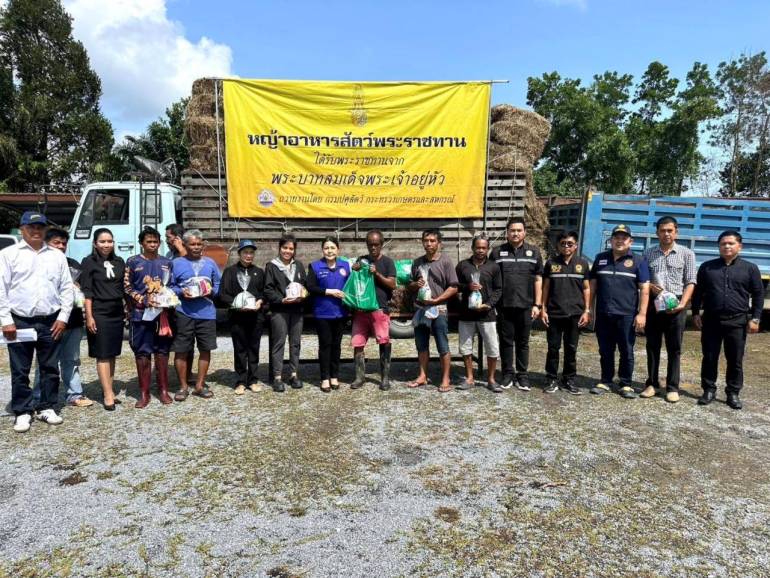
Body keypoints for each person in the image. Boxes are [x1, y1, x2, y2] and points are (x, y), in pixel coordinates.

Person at [0, 211, 73, 432]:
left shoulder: (56, 256)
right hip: (20, 321)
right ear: (22, 229)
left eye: (40, 227)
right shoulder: (8, 255)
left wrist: (63, 317)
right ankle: (22, 411)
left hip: (51, 321)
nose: (36, 231)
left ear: (45, 229)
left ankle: (46, 407)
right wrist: (6, 320)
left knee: (50, 368)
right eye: (31, 227)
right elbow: (1, 289)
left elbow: (66, 288)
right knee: (20, 369)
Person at [692, 230, 763, 410]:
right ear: (719, 246)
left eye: (731, 243)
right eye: (723, 243)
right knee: (709, 357)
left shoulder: (750, 268)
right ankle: (708, 390)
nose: (727, 246)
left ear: (740, 246)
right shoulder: (707, 267)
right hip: (711, 321)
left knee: (735, 360)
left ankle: (733, 392)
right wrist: (695, 313)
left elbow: (758, 294)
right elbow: (698, 292)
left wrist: (755, 318)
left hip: (737, 322)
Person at [31, 229, 93, 408]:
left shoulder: (74, 264)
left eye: (64, 243)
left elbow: (84, 291)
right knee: (45, 361)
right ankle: (38, 396)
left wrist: (76, 288)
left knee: (71, 360)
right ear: (46, 243)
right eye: (56, 243)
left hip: (73, 320)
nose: (61, 246)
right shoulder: (37, 264)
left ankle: (74, 394)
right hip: (48, 322)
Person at [589, 224, 650, 398]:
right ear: (611, 240)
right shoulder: (600, 258)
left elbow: (645, 289)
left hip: (627, 315)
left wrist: (642, 314)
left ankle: (625, 384)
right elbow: (592, 286)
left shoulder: (638, 261)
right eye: (616, 237)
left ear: (630, 241)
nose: (620, 241)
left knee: (626, 350)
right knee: (605, 349)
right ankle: (606, 381)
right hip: (604, 313)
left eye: (624, 238)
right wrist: (589, 309)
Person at [641, 216, 697, 403]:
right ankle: (652, 384)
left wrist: (682, 304)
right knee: (652, 346)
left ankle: (672, 387)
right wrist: (650, 287)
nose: (666, 234)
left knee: (674, 348)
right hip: (655, 304)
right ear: (657, 233)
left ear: (676, 232)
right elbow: (643, 280)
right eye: (662, 230)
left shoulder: (687, 254)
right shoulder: (648, 253)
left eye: (670, 230)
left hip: (676, 305)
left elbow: (690, 282)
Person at [490, 217, 543, 391]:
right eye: (512, 230)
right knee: (506, 342)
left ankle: (522, 375)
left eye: (519, 230)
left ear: (525, 232)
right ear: (507, 233)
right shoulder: (497, 253)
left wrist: (537, 305)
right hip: (504, 306)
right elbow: (491, 280)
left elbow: (538, 279)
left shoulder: (534, 252)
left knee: (523, 342)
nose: (515, 233)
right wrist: (493, 304)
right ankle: (507, 374)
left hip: (526, 306)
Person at [124, 227, 174, 408]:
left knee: (162, 352)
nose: (152, 245)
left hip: (162, 315)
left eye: (155, 242)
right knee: (142, 353)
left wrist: (167, 299)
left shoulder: (167, 262)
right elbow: (127, 287)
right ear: (141, 243)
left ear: (159, 243)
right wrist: (143, 299)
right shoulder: (132, 261)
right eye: (149, 242)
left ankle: (163, 390)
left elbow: (172, 285)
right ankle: (144, 393)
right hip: (141, 315)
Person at [170, 229, 221, 400]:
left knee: (205, 349)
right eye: (192, 244)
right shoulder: (176, 263)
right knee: (181, 350)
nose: (196, 247)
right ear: (185, 245)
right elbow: (169, 285)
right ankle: (183, 386)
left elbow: (218, 283)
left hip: (207, 313)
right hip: (184, 312)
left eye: (199, 244)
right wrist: (181, 291)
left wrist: (211, 291)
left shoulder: (210, 263)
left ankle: (199, 385)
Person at [80, 227, 126, 410]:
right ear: (95, 244)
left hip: (117, 311)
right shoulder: (89, 262)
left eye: (109, 241)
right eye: (102, 241)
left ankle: (110, 389)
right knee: (103, 353)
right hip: (99, 312)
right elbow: (87, 292)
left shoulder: (119, 261)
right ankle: (107, 394)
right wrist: (89, 316)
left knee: (112, 353)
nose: (106, 245)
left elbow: (123, 287)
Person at [407, 229, 458, 392]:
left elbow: (453, 287)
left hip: (439, 308)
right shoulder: (417, 263)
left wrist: (437, 300)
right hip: (421, 309)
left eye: (432, 241)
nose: (428, 244)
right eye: (426, 240)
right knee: (421, 345)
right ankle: (422, 376)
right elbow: (410, 285)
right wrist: (415, 285)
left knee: (442, 344)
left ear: (439, 243)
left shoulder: (446, 262)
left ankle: (446, 378)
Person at [541, 231, 591, 395]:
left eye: (570, 243)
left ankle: (569, 379)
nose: (566, 246)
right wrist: (543, 309)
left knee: (571, 348)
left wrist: (587, 310)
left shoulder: (582, 264)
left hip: (575, 314)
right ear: (558, 246)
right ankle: (551, 379)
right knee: (553, 348)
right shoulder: (551, 263)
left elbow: (586, 288)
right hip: (555, 313)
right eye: (563, 243)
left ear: (576, 246)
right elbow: (546, 287)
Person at [349, 229, 397, 391]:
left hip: (379, 308)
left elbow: (392, 284)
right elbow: (355, 280)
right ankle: (359, 377)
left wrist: (377, 274)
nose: (373, 247)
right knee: (358, 342)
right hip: (361, 309)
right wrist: (354, 269)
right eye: (370, 244)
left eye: (376, 244)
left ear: (382, 244)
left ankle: (385, 378)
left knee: (383, 341)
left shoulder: (388, 262)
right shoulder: (362, 260)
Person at [455, 233, 502, 392]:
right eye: (478, 247)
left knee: (492, 347)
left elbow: (498, 289)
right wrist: (467, 287)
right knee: (465, 347)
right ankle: (469, 378)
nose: (480, 250)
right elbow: (455, 286)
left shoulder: (494, 267)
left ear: (488, 249)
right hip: (466, 314)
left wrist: (488, 305)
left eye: (484, 248)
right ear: (472, 248)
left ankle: (491, 379)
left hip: (487, 315)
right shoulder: (463, 266)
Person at [219, 240, 266, 395]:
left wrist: (260, 301)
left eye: (251, 252)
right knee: (240, 349)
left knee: (254, 348)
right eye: (245, 252)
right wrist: (236, 303)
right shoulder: (230, 272)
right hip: (237, 317)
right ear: (239, 253)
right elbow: (222, 294)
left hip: (255, 317)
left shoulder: (259, 272)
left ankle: (252, 380)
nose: (248, 255)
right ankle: (240, 381)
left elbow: (264, 292)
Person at [306, 236, 350, 392]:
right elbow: (310, 287)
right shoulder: (315, 266)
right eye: (326, 248)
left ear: (338, 249)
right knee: (325, 345)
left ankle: (334, 376)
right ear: (322, 250)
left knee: (336, 346)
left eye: (332, 248)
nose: (329, 251)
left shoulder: (345, 266)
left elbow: (351, 285)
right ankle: (324, 378)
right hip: (322, 313)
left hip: (341, 313)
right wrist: (329, 292)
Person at [264, 233, 307, 392]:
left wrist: (303, 294)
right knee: (279, 343)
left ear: (294, 250)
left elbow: (304, 285)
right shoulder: (272, 266)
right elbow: (268, 289)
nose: (287, 251)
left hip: (296, 309)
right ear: (279, 248)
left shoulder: (299, 266)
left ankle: (294, 374)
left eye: (291, 248)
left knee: (295, 343)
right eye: (285, 248)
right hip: (280, 310)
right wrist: (281, 300)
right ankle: (277, 377)